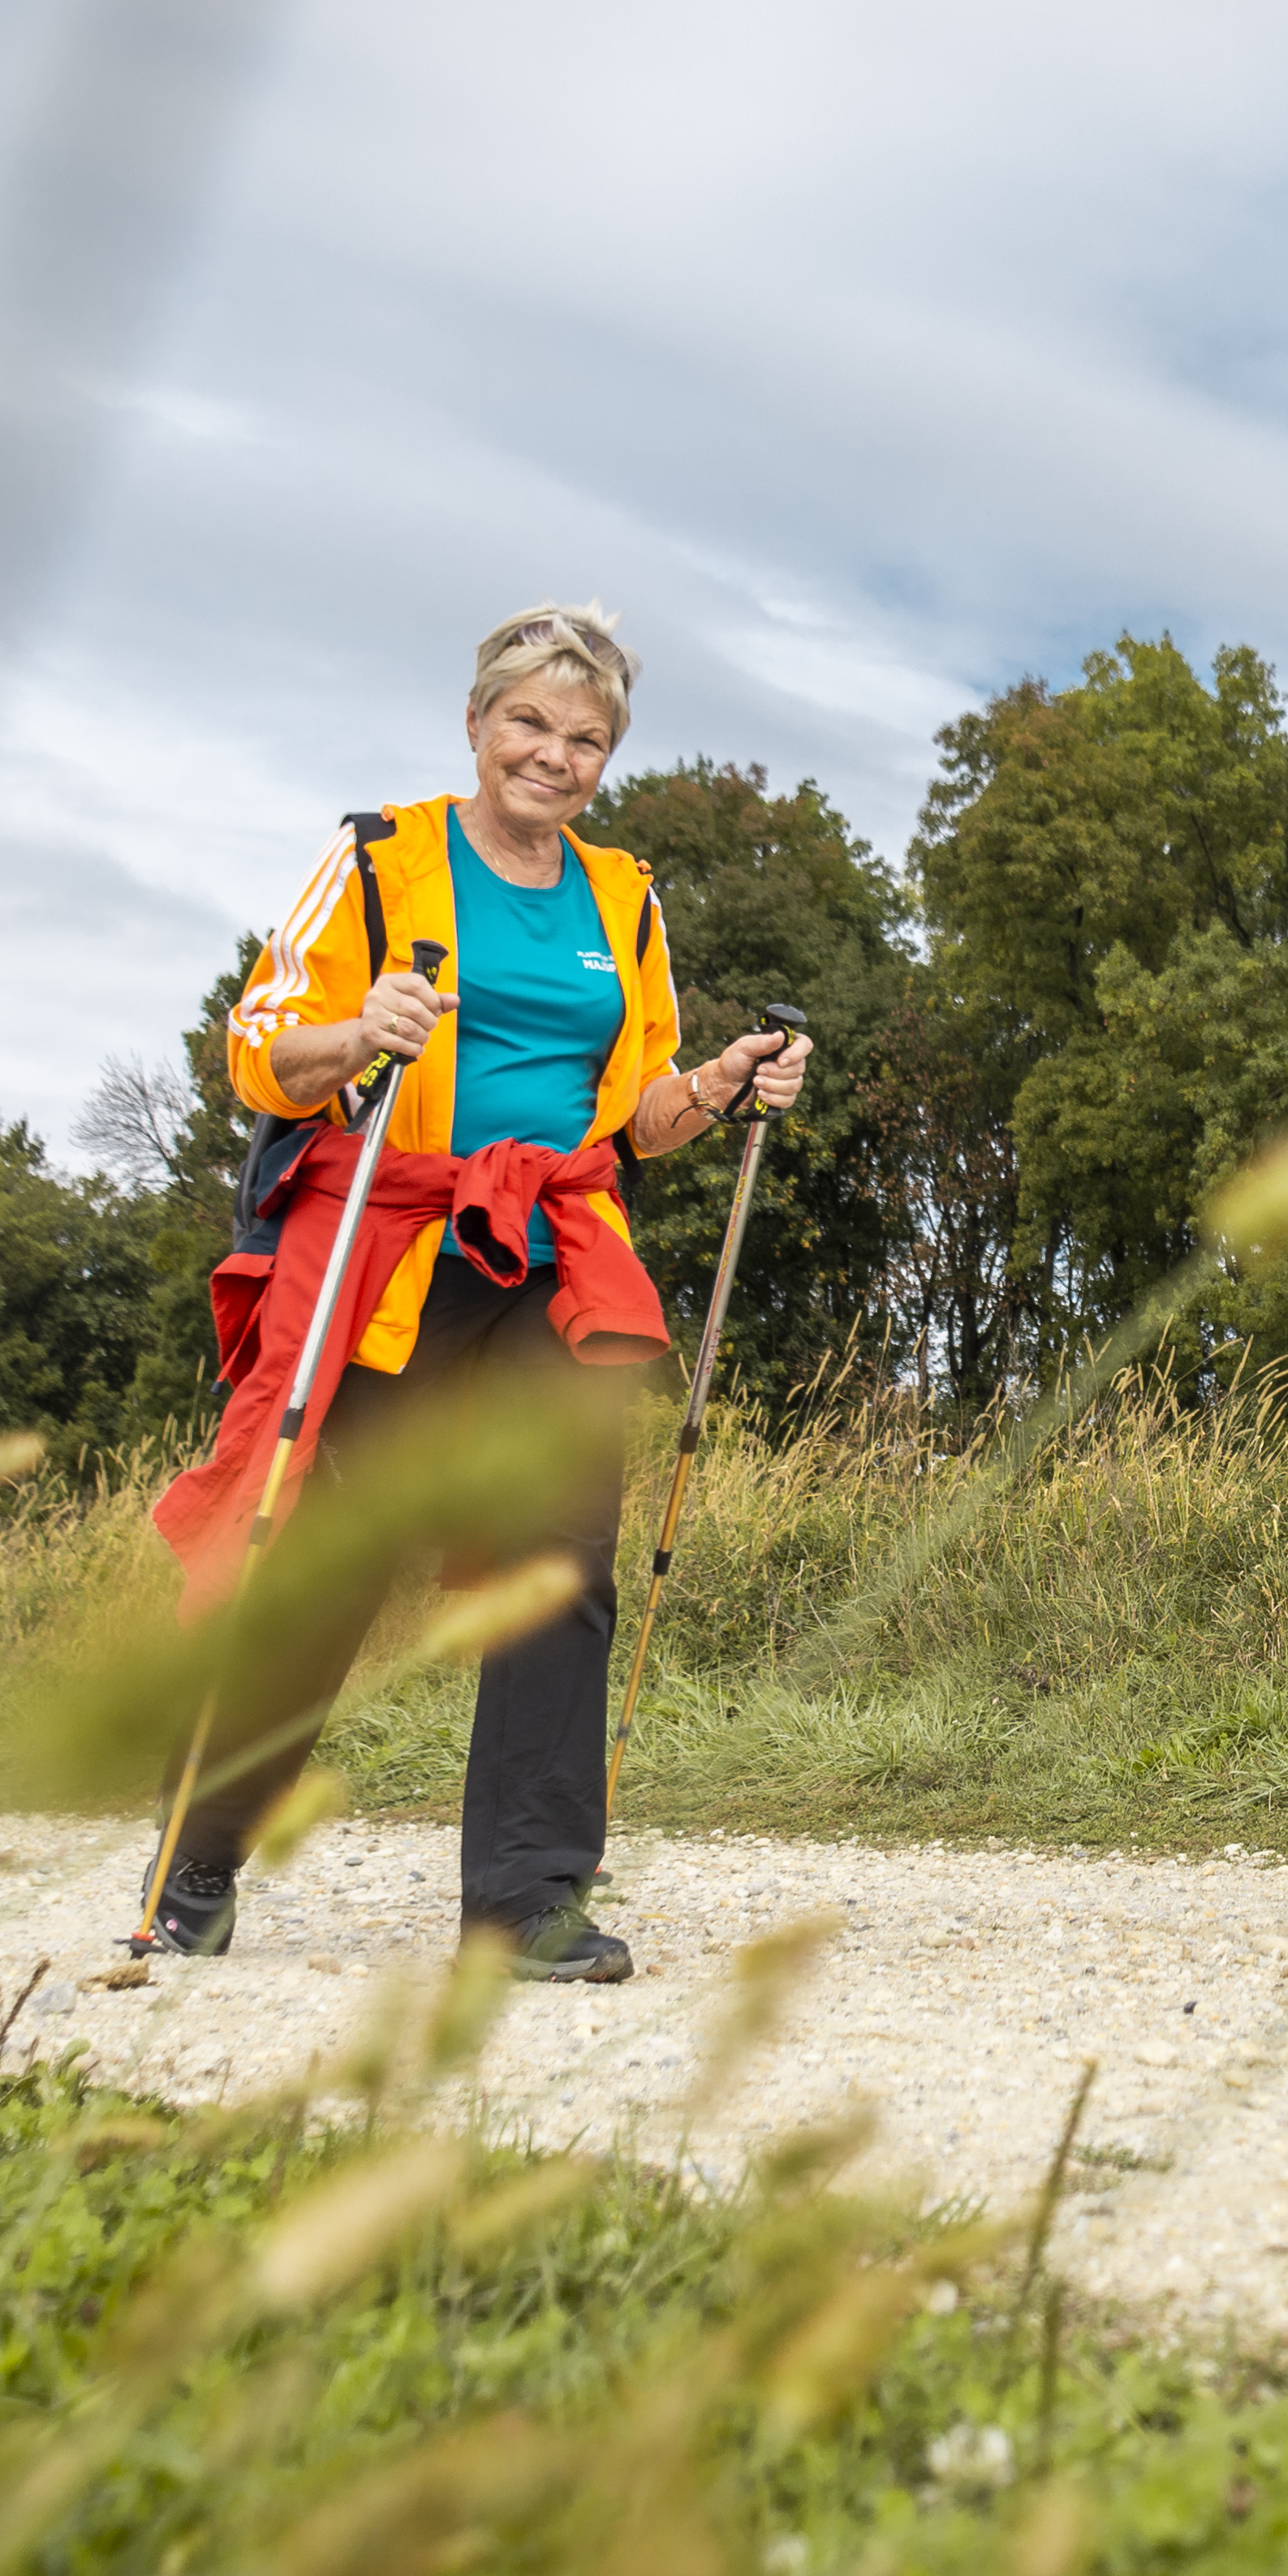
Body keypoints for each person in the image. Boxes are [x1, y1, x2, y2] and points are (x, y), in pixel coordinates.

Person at [139, 601, 808, 1981]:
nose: (553, 756)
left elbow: (636, 1111)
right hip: (393, 1252)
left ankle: (525, 1900)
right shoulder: (379, 858)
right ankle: (201, 1849)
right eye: (528, 723)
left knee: (559, 1558)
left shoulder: (624, 898)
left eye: (585, 738)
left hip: (555, 1261)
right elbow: (258, 1046)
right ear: (474, 722)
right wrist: (358, 1030)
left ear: (608, 756)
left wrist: (718, 1085)